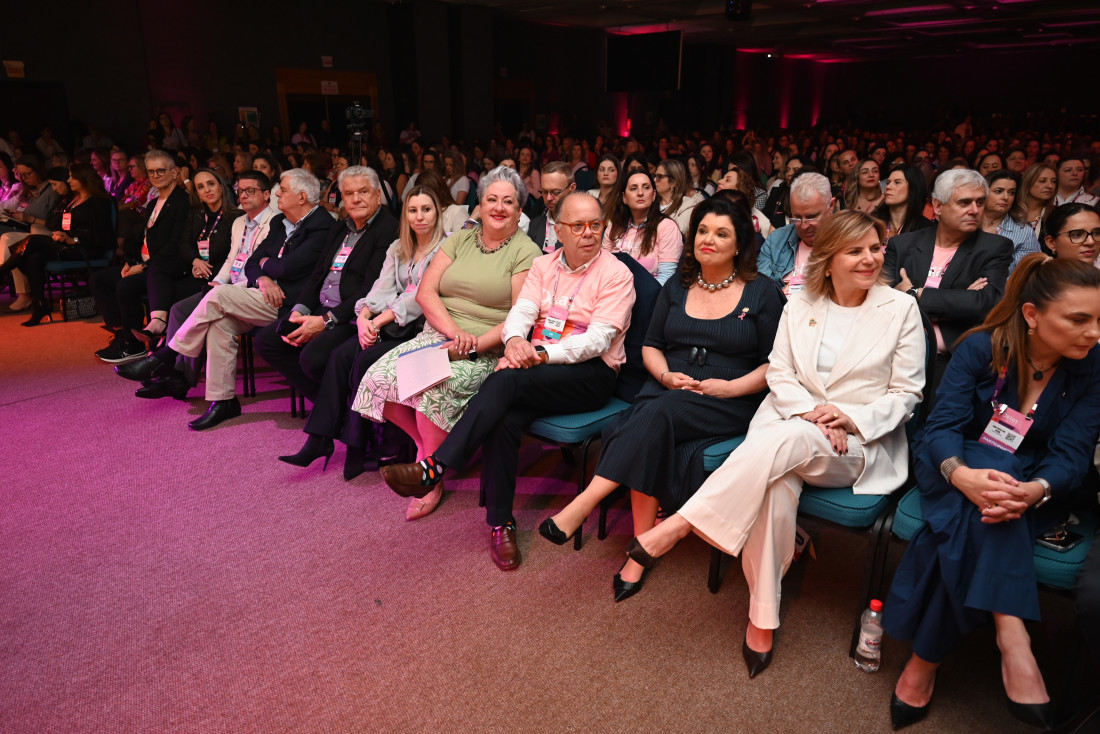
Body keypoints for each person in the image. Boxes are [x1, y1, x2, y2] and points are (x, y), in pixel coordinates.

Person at [628, 210, 925, 677]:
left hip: (853, 443)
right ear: (828, 259)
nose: (870, 258)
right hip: (793, 423)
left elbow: (907, 393)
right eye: (855, 250)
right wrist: (810, 413)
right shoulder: (801, 303)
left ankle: (682, 523)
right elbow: (781, 372)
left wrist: (849, 417)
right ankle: (762, 617)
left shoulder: (900, 308)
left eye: (875, 247)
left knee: (782, 446)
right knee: (774, 484)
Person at [884, 254, 1100, 731]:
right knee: (990, 473)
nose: (1094, 333)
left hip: (1026, 490)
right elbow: (941, 428)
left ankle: (924, 662)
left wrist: (1035, 490)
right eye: (1080, 319)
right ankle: (1011, 629)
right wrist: (960, 475)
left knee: (977, 513)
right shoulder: (981, 347)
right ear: (1032, 315)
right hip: (952, 467)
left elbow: (1072, 456)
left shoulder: (1093, 367)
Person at [537, 198, 785, 600]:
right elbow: (651, 346)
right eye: (703, 231)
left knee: (647, 418)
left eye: (722, 233)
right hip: (670, 388)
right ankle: (640, 547)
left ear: (740, 243)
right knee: (649, 419)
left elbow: (775, 364)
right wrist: (667, 375)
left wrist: (730, 387)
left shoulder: (762, 293)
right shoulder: (678, 285)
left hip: (728, 397)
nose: (709, 239)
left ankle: (584, 505)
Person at [377, 191, 634, 569]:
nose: (588, 233)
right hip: (535, 367)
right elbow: (522, 312)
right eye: (577, 226)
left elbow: (598, 341)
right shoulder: (545, 266)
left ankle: (436, 467)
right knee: (503, 417)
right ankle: (501, 523)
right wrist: (514, 342)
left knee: (505, 383)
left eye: (596, 225)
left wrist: (538, 355)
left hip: (588, 374)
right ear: (558, 230)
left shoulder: (616, 274)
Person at [352, 166, 541, 521]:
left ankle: (430, 479)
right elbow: (425, 293)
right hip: (442, 334)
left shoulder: (525, 251)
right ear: (480, 204)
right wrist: (454, 335)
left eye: (508, 202)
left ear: (519, 210)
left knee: (432, 395)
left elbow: (519, 316)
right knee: (378, 380)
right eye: (491, 200)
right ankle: (428, 452)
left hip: (488, 345)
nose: (499, 208)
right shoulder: (458, 239)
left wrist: (471, 346)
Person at [127, 168, 334, 429]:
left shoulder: (322, 225)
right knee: (220, 324)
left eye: (282, 189)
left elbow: (287, 268)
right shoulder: (283, 222)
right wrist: (263, 276)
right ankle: (223, 400)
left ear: (302, 197)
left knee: (219, 294)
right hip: (261, 293)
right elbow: (252, 263)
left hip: (290, 304)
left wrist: (266, 266)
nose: (278, 193)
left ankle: (166, 355)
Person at [278, 186, 446, 484]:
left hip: (420, 328)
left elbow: (419, 297)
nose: (419, 217)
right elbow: (381, 288)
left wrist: (376, 322)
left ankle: (356, 446)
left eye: (426, 209)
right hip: (388, 323)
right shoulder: (398, 247)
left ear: (438, 213)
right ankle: (321, 439)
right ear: (405, 215)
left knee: (361, 360)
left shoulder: (445, 248)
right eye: (413, 210)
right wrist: (364, 317)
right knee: (341, 355)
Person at [115, 171, 276, 399]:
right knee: (178, 306)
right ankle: (175, 374)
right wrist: (216, 280)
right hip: (224, 284)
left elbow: (255, 265)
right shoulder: (239, 221)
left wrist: (218, 284)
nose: (245, 195)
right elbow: (232, 258)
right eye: (242, 191)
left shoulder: (272, 222)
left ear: (267, 194)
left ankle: (168, 365)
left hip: (250, 290)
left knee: (196, 307)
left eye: (251, 191)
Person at [255, 166, 398, 408]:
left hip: (352, 315)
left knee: (313, 358)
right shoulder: (341, 227)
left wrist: (325, 321)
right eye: (349, 193)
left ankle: (332, 411)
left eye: (363, 191)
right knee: (268, 341)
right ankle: (333, 407)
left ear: (377, 195)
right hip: (320, 309)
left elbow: (370, 289)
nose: (356, 199)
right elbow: (318, 274)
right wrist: (299, 310)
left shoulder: (388, 230)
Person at [887, 168, 1014, 400]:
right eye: (964, 202)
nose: (975, 210)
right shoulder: (902, 244)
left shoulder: (995, 248)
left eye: (980, 202)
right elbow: (884, 301)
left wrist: (915, 293)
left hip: (952, 362)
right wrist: (960, 297)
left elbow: (987, 304)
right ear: (938, 206)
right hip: (897, 358)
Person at [91, 150, 191, 363]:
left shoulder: (183, 202)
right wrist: (133, 261)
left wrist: (143, 267)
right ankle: (121, 332)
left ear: (174, 173)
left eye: (160, 170)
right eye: (151, 171)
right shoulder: (154, 202)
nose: (155, 175)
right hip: (148, 263)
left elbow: (175, 245)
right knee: (99, 279)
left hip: (168, 266)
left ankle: (133, 344)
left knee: (125, 286)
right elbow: (146, 239)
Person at [0, 165, 113, 326]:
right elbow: (59, 222)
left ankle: (2, 272)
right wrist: (61, 233)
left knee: (32, 241)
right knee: (35, 257)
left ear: (83, 179)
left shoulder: (98, 202)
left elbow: (101, 235)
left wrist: (72, 240)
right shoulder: (75, 199)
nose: (68, 180)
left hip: (86, 249)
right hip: (68, 244)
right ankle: (39, 305)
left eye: (72, 177)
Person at [139, 169, 240, 342]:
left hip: (219, 277)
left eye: (211, 184)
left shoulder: (236, 217)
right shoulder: (197, 214)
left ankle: (164, 344)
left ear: (221, 187)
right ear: (198, 194)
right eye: (201, 187)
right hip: (196, 270)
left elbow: (233, 255)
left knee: (173, 296)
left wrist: (205, 269)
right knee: (159, 271)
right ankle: (161, 335)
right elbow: (184, 244)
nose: (207, 190)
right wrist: (195, 262)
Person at [757, 172, 834, 294]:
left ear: (831, 206)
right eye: (797, 218)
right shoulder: (776, 241)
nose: (803, 226)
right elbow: (760, 291)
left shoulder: (847, 240)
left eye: (811, 217)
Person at [603, 170, 683, 284]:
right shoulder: (613, 229)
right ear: (624, 197)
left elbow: (667, 276)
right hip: (614, 293)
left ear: (654, 195)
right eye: (633, 188)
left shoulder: (666, 227)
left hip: (650, 297)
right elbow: (602, 269)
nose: (640, 193)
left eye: (646, 187)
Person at [981, 169, 1040, 271]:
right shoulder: (966, 224)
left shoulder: (1024, 232)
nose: (1005, 197)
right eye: (998, 191)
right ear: (983, 193)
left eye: (1011, 192)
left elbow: (1026, 274)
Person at [872, 164, 933, 246]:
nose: (888, 187)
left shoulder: (925, 229)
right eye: (888, 182)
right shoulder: (873, 222)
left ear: (913, 188)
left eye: (897, 182)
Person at [527, 161, 576, 253]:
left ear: (572, 188)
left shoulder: (582, 227)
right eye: (544, 192)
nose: (549, 198)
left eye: (556, 192)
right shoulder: (534, 225)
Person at [655, 158, 703, 237]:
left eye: (659, 176)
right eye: (655, 176)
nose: (654, 180)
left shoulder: (688, 205)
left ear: (673, 182)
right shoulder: (651, 202)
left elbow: (676, 231)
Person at [1019, 163, 1057, 238]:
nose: (1050, 186)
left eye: (1054, 181)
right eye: (1042, 181)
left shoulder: (1057, 215)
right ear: (1027, 184)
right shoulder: (1011, 212)